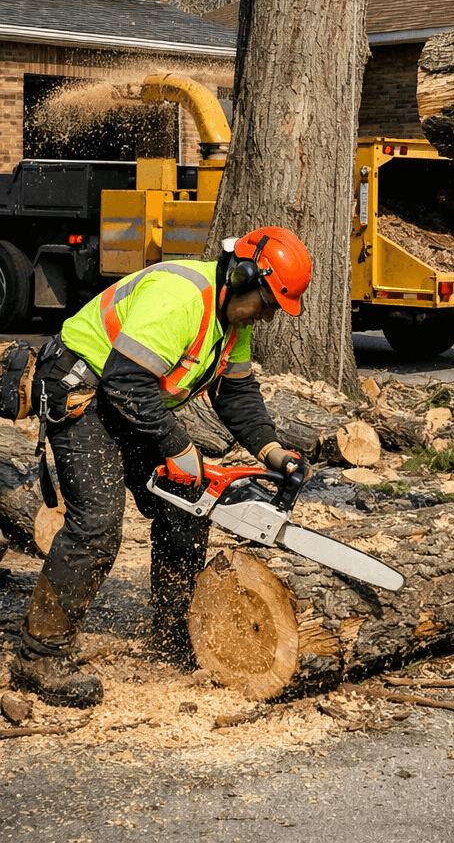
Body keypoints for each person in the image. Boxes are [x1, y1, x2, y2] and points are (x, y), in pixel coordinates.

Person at [12, 228, 313, 708]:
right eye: (268, 301)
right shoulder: (181, 298)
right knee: (96, 526)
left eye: (277, 307)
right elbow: (125, 379)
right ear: (241, 276)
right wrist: (177, 447)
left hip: (129, 401)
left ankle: (176, 636)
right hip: (83, 390)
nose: (268, 313)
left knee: (185, 508)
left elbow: (235, 394)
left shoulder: (235, 323)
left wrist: (272, 451)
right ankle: (38, 656)